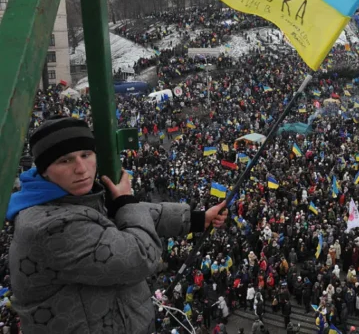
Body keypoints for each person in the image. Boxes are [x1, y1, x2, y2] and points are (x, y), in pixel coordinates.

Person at [6, 117, 227, 333]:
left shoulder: (65, 195)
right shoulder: (49, 226)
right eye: (65, 160)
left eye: (86, 155)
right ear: (44, 169)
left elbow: (121, 214)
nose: (81, 168)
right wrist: (125, 201)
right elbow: (139, 256)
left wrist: (197, 219)